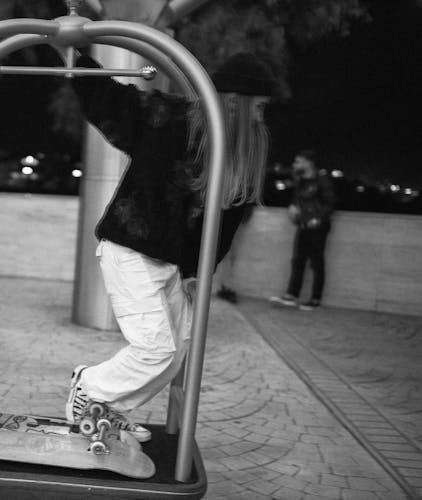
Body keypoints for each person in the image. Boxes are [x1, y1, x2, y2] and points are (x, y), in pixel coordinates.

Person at [65, 51, 275, 442]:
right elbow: (109, 99)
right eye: (259, 107)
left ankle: (109, 407)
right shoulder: (169, 119)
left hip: (171, 263)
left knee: (178, 351)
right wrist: (76, 50)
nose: (263, 118)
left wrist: (198, 272)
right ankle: (90, 386)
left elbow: (224, 225)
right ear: (233, 103)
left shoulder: (244, 154)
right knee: (156, 348)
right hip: (129, 248)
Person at [270, 150, 335, 310]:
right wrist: (293, 209)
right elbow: (297, 200)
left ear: (309, 163)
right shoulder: (300, 181)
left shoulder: (321, 180)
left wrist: (318, 219)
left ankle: (315, 300)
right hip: (303, 225)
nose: (295, 165)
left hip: (318, 227)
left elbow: (331, 202)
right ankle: (291, 295)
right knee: (298, 260)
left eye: (298, 161)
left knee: (316, 262)